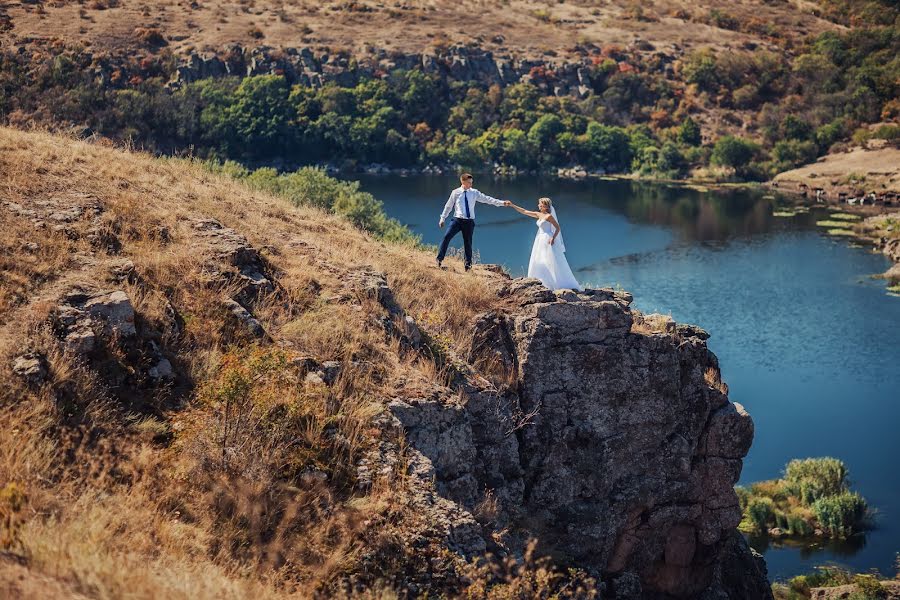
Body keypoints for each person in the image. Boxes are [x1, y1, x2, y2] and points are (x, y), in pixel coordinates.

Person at [437, 173, 511, 271]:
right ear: (462, 182)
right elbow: (448, 206)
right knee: (446, 237)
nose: (471, 184)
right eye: (469, 183)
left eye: (471, 182)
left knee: (468, 244)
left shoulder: (474, 193)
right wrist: (442, 218)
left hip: (469, 222)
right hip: (457, 220)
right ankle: (439, 259)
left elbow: (487, 199)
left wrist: (502, 203)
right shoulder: (455, 192)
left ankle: (468, 267)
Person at [509, 197, 582, 291]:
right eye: (539, 204)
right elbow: (524, 211)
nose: (538, 205)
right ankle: (542, 280)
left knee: (550, 260)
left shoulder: (549, 216)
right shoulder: (538, 214)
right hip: (540, 239)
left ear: (545, 206)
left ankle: (554, 282)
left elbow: (557, 228)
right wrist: (512, 205)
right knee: (540, 259)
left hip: (548, 238)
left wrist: (553, 238)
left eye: (540, 204)